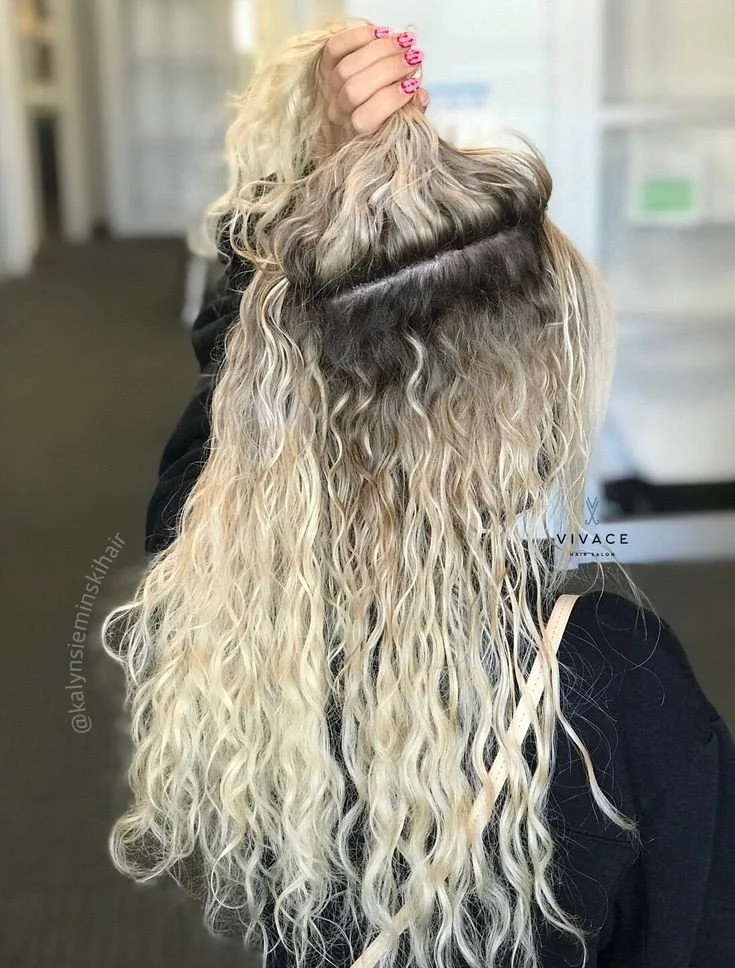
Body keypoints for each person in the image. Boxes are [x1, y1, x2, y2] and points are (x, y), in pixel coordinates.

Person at [107, 20, 735, 968]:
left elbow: (225, 394)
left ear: (270, 396)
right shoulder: (615, 682)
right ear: (525, 405)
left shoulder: (221, 610)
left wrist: (310, 168)